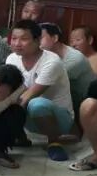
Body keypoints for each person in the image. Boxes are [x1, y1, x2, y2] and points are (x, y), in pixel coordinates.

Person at [6, 20, 75, 161]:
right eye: (14, 38)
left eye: (24, 39)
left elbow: (30, 95)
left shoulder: (51, 61)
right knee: (6, 98)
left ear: (38, 41)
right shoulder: (12, 59)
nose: (17, 43)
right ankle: (20, 137)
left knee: (36, 103)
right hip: (32, 118)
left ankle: (54, 143)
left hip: (59, 119)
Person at [41, 23, 95, 118]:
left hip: (82, 108)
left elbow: (44, 84)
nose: (36, 42)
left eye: (40, 38)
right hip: (63, 102)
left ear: (55, 38)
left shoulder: (75, 59)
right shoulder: (46, 55)